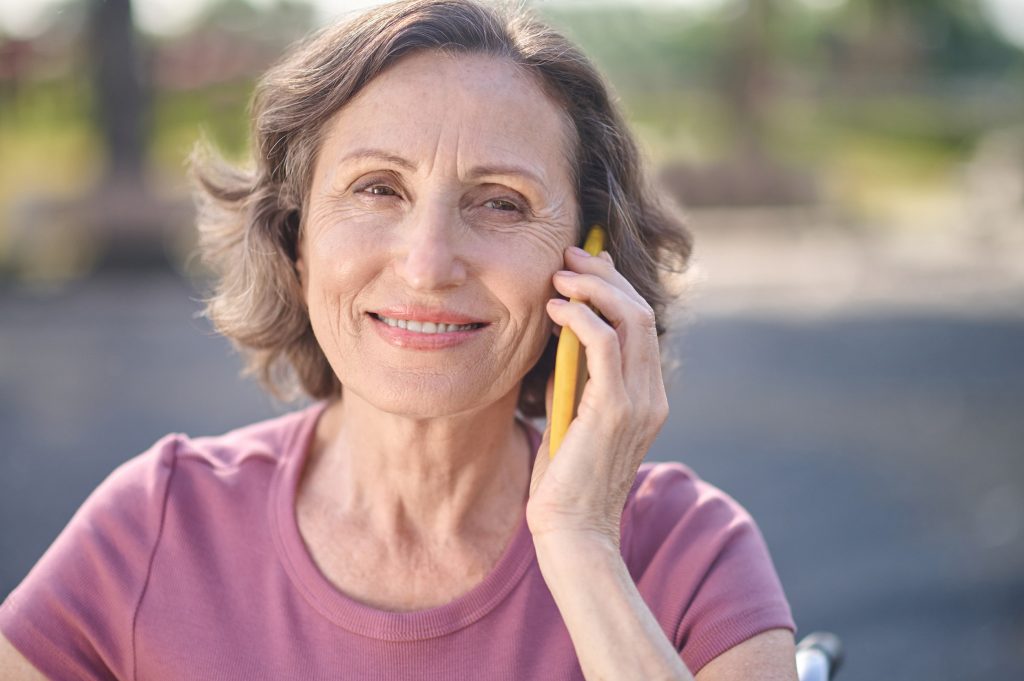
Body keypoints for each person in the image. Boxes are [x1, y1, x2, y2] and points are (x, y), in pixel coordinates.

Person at [0, 0, 797, 678]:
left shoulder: (689, 550)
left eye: (501, 202)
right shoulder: (160, 521)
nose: (426, 265)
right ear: (296, 237)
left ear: (590, 263)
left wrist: (582, 545)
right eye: (378, 188)